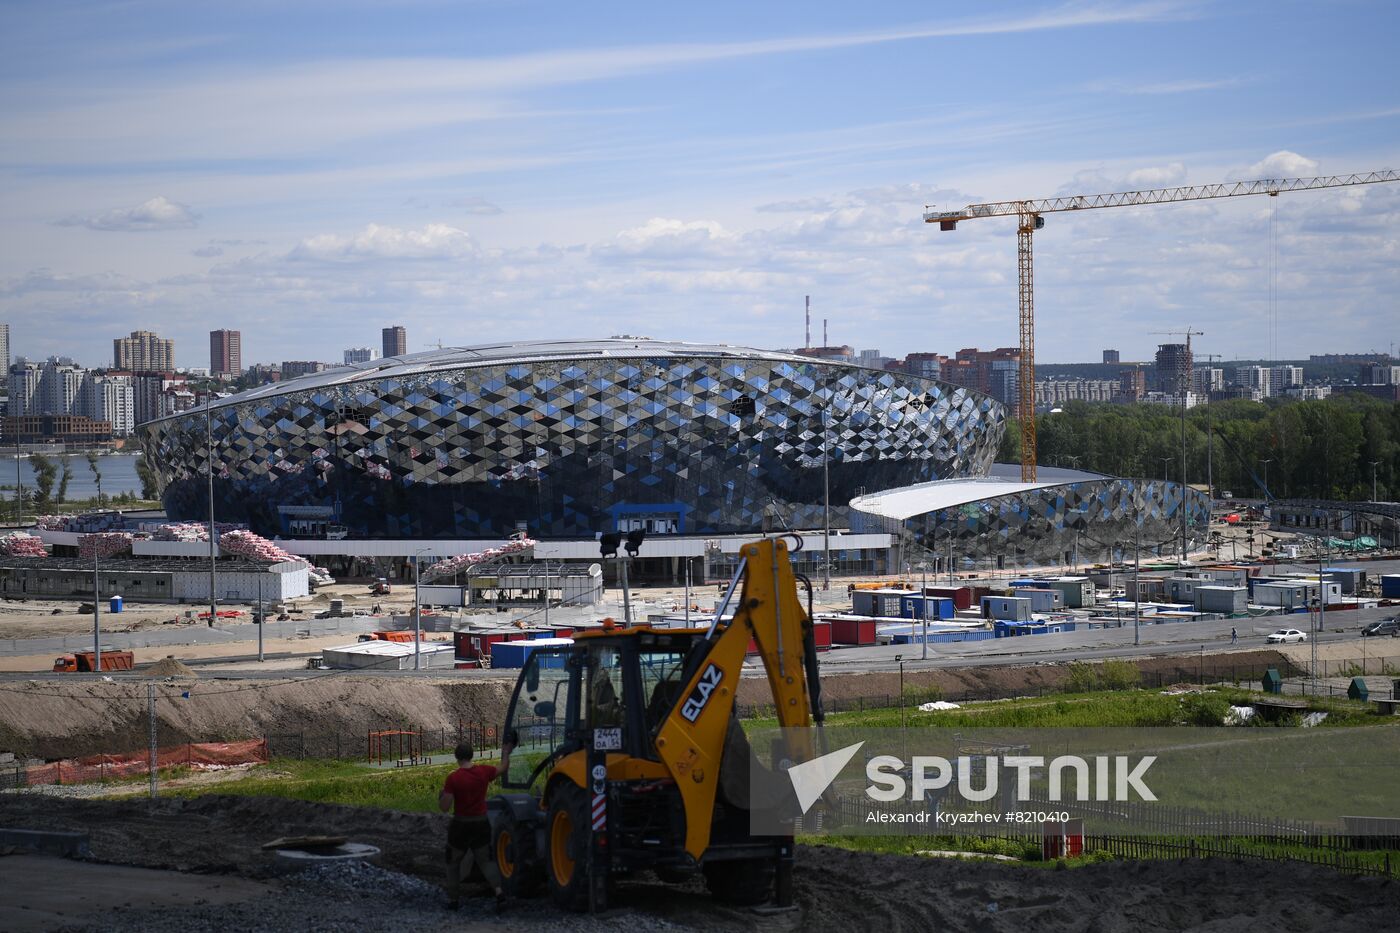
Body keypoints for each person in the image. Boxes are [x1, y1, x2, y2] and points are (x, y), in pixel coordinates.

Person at [439, 739, 513, 911]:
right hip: (481, 822)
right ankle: (499, 893)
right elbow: (503, 768)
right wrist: (506, 752)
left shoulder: (453, 778)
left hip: (461, 825)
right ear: (471, 755)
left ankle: (453, 900)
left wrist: (442, 795)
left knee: (453, 861)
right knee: (486, 860)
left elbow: (444, 807)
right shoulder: (483, 772)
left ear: (457, 757)